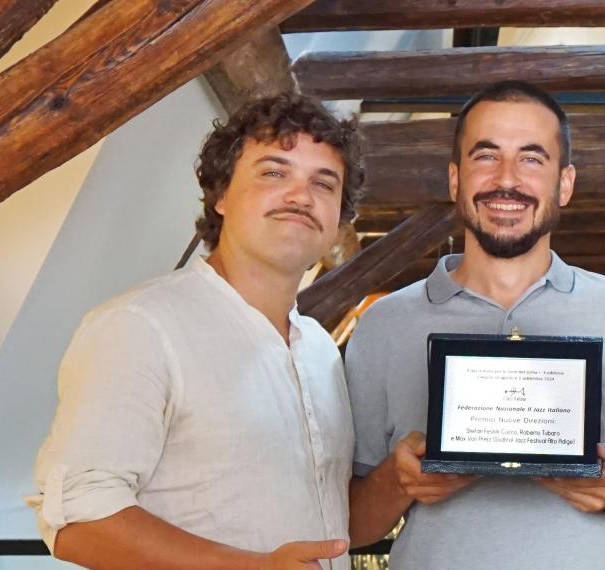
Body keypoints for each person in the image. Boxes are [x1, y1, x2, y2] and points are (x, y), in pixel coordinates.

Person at [344, 81, 605, 569]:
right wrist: (397, 482)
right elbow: (349, 527)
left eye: (531, 158)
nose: (506, 179)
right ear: (455, 179)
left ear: (564, 184)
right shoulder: (383, 323)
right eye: (486, 156)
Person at [28, 93, 363, 569]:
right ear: (221, 195)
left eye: (324, 184)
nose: (301, 196)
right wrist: (250, 567)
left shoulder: (321, 352)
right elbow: (77, 519)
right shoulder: (140, 326)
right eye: (274, 173)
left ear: (338, 219)